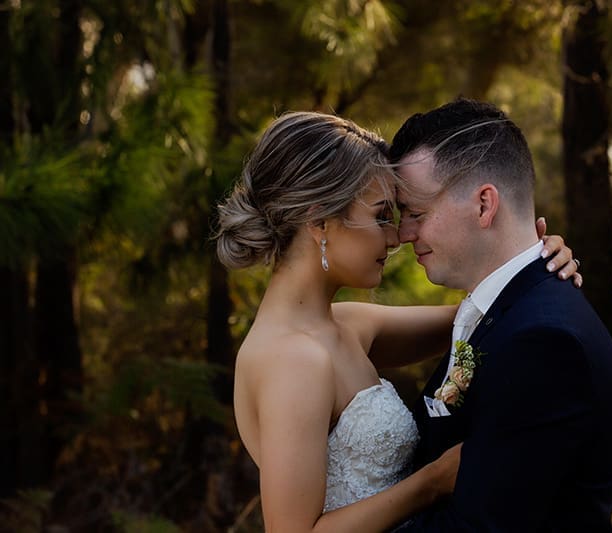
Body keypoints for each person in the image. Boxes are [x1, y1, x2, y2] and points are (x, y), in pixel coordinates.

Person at [214, 111, 580, 531]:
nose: (396, 237)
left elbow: (487, 314)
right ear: (319, 221)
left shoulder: (348, 325)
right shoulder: (293, 360)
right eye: (381, 216)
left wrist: (531, 257)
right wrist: (432, 481)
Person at [389, 98, 612, 531]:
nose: (404, 234)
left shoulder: (544, 342)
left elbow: (479, 526)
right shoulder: (500, 310)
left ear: (485, 205)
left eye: (416, 213)